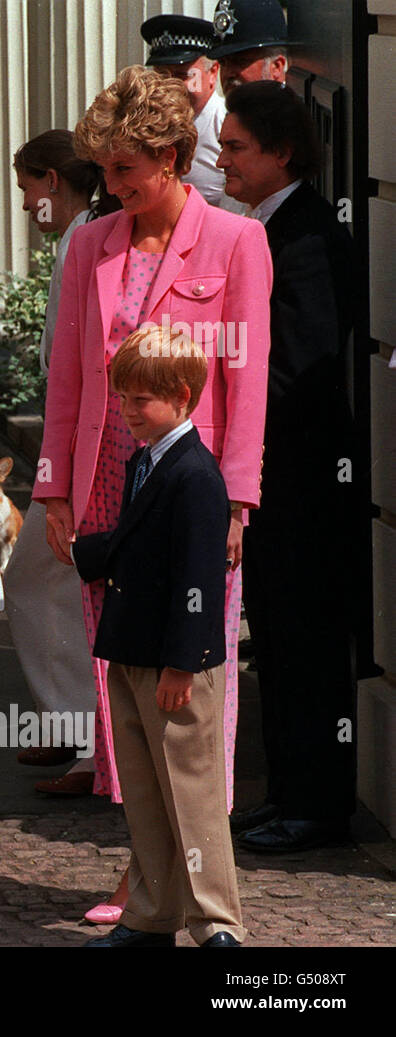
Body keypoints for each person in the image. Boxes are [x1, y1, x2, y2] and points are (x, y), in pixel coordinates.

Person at [32, 65, 271, 912]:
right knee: (121, 690)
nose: (112, 186)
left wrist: (238, 498)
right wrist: (54, 486)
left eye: (127, 169)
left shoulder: (238, 240)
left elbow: (247, 381)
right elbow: (67, 373)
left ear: (172, 157)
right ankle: (146, 867)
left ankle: (190, 875)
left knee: (192, 678)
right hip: (102, 483)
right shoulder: (92, 242)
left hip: (191, 494)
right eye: (104, 171)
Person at [216, 82, 357, 853]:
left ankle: (320, 805)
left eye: (237, 147)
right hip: (269, 479)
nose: (222, 156)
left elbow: (304, 363)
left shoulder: (309, 237)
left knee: (305, 641)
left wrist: (226, 400)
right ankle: (288, 792)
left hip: (304, 479)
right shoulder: (263, 226)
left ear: (282, 153)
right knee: (273, 637)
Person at [76, 326, 245, 948]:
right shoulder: (145, 460)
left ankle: (216, 924)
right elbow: (137, 546)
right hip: (132, 650)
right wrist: (87, 553)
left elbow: (200, 576)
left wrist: (182, 664)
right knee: (145, 793)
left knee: (193, 797)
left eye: (138, 402)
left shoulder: (196, 474)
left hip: (175, 663)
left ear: (179, 395)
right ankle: (150, 917)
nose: (125, 413)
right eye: (121, 401)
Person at [2, 130, 108, 795]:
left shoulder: (84, 240)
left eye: (25, 190)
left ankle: (87, 735)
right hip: (70, 444)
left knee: (44, 580)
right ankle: (77, 727)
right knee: (51, 582)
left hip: (77, 451)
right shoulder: (82, 236)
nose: (23, 206)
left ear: (49, 181)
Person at [141, 13, 242, 213]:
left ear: (213, 72)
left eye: (181, 75)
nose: (170, 86)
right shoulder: (145, 129)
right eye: (162, 76)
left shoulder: (227, 125)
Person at [208, 0, 293, 95]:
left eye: (240, 61)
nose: (228, 73)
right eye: (222, 62)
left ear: (276, 67)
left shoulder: (292, 109)